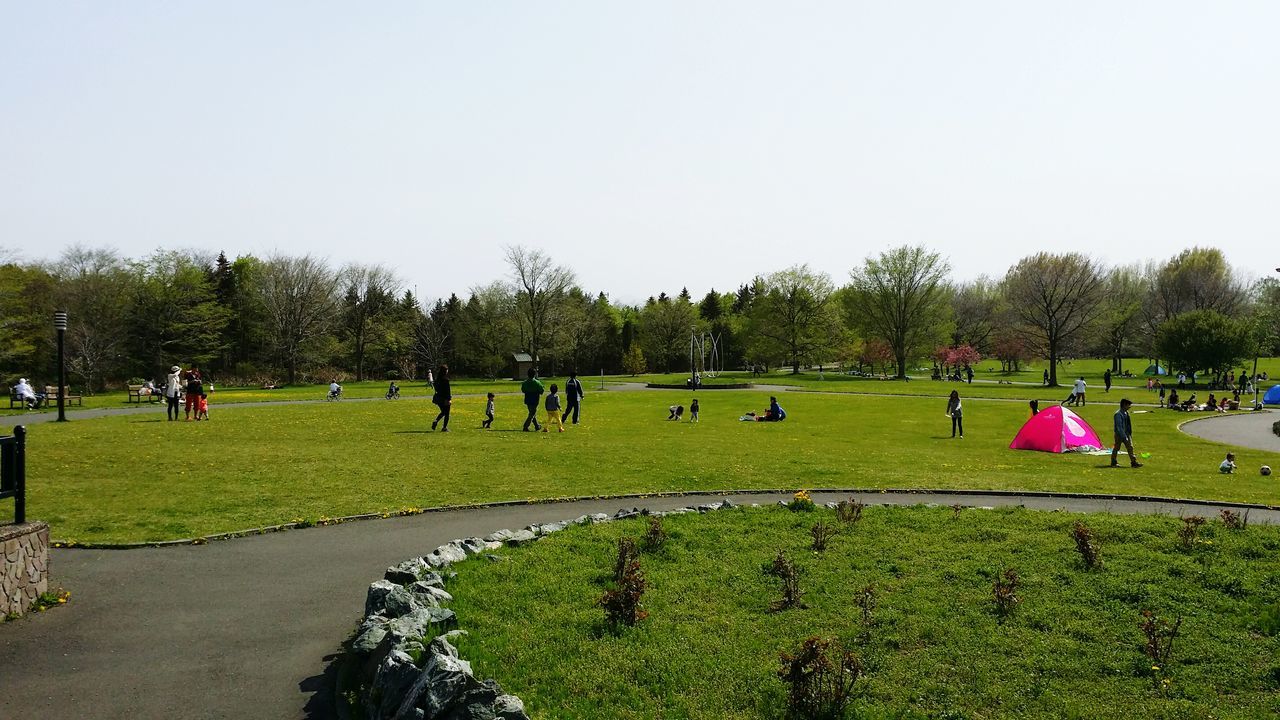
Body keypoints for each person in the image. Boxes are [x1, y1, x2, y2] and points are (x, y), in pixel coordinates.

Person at [1110, 399, 1142, 468]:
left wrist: (1129, 434)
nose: (1129, 407)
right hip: (1119, 435)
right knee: (1116, 448)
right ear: (1124, 405)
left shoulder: (1126, 413)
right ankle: (1113, 462)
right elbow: (1119, 427)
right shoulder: (1118, 414)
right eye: (1128, 405)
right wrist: (1124, 436)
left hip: (1126, 433)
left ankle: (1134, 462)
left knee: (1130, 447)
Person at [431, 364, 452, 432]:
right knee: (447, 413)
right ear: (445, 371)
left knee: (443, 412)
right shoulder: (446, 380)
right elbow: (448, 391)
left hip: (438, 398)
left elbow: (436, 389)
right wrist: (449, 399)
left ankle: (436, 421)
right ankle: (444, 427)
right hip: (445, 398)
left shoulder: (437, 380)